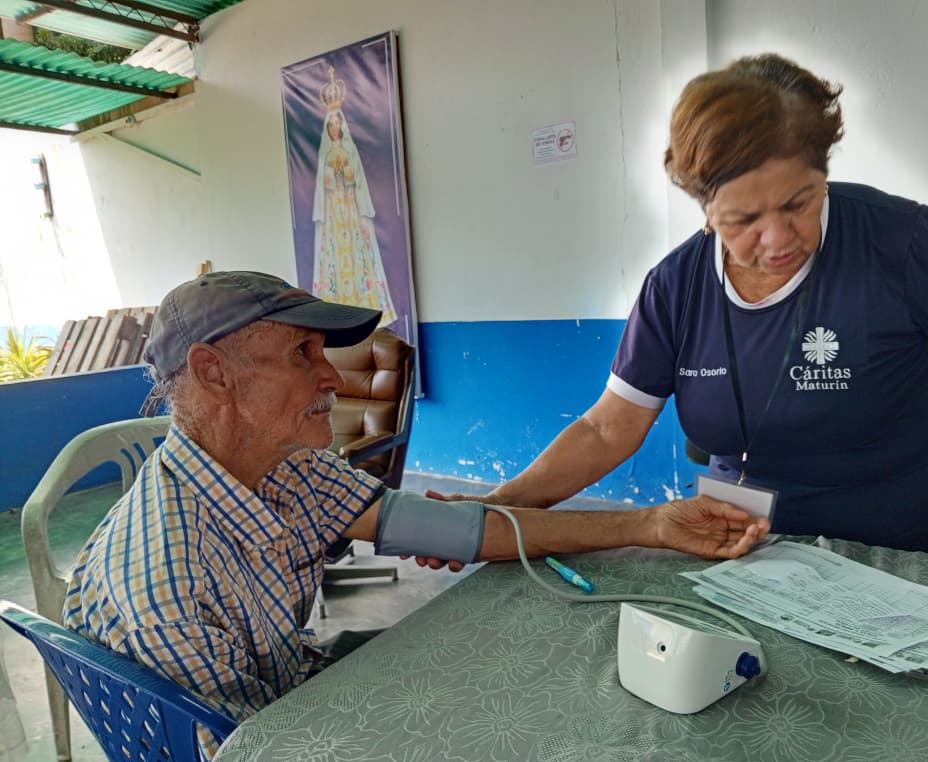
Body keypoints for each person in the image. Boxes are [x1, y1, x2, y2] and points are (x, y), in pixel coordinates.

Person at [62, 270, 768, 757]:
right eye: (303, 354)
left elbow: (464, 530)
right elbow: (251, 750)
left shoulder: (291, 471)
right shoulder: (165, 581)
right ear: (213, 371)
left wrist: (649, 525)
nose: (333, 378)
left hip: (290, 692)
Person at [425, 53, 928, 559]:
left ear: (824, 172)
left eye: (798, 202)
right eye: (744, 220)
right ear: (703, 208)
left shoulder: (901, 241)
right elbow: (607, 428)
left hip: (883, 546)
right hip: (737, 545)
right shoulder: (675, 286)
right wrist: (497, 508)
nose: (778, 238)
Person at [312, 69, 397, 326]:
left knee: (359, 258)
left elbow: (357, 179)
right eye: (331, 125)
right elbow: (320, 186)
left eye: (337, 124)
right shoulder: (324, 154)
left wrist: (344, 173)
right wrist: (331, 176)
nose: (335, 129)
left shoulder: (350, 150)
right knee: (335, 259)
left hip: (349, 207)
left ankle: (365, 306)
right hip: (333, 213)